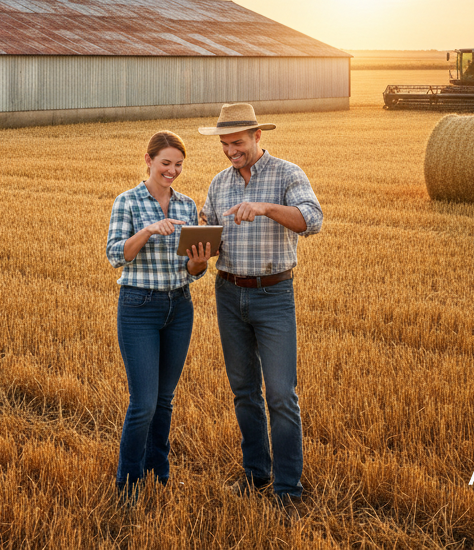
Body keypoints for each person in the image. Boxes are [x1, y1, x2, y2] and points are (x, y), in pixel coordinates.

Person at [199, 103, 323, 520]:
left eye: (237, 142)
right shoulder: (219, 183)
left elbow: (312, 220)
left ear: (256, 137)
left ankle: (288, 490)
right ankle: (255, 474)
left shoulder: (288, 174)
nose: (231, 151)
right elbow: (211, 236)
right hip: (228, 293)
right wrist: (198, 246)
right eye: (224, 144)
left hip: (274, 295)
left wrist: (266, 208)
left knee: (282, 395)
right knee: (244, 392)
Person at [106, 130, 212, 496]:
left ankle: (158, 470)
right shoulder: (128, 202)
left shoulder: (186, 205)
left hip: (179, 307)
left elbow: (193, 271)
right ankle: (129, 482)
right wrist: (149, 230)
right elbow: (116, 254)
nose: (172, 170)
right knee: (143, 403)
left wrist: (199, 262)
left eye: (179, 164)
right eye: (166, 163)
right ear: (149, 161)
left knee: (165, 399)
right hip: (139, 308)